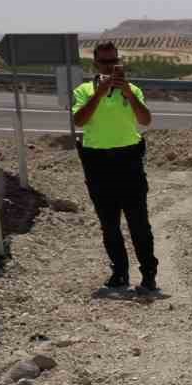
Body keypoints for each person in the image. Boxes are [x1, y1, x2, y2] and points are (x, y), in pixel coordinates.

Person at [72, 41, 158, 293]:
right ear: (95, 64)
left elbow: (145, 120)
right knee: (109, 223)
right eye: (104, 62)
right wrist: (100, 92)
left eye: (114, 62)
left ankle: (149, 274)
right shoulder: (84, 91)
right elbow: (79, 120)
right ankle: (119, 273)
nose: (110, 67)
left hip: (128, 160)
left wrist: (127, 93)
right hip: (96, 162)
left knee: (138, 222)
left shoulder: (132, 90)